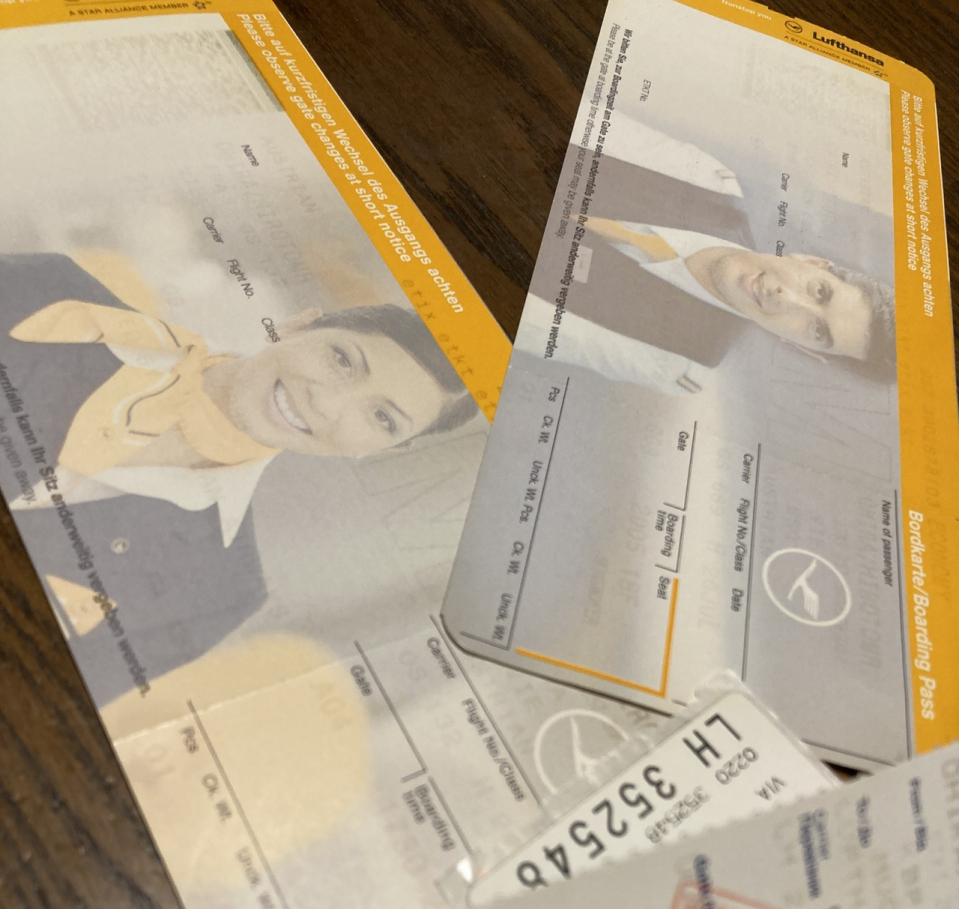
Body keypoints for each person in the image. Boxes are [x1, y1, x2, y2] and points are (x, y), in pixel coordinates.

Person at [0, 252, 475, 705]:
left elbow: (41, 701)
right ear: (296, 326)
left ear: (379, 449)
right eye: (342, 360)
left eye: (382, 418)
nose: (327, 403)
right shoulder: (49, 293)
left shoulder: (218, 590)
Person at [518, 118, 896, 394]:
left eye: (817, 331)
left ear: (800, 348)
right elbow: (568, 122)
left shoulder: (683, 363)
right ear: (812, 262)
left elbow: (528, 323)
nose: (786, 299)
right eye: (820, 292)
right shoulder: (707, 179)